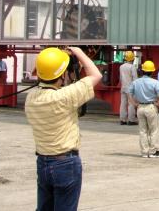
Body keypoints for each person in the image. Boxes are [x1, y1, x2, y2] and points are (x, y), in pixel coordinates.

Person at [25, 46, 101, 210]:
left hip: (43, 162)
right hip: (65, 163)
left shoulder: (30, 98)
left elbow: (43, 76)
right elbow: (96, 75)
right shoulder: (64, 97)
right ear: (63, 74)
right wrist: (78, 52)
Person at [126, 60, 159, 158]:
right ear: (152, 71)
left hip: (140, 107)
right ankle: (153, 152)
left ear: (142, 71)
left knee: (142, 131)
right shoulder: (154, 82)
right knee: (154, 130)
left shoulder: (136, 82)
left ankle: (144, 152)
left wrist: (134, 103)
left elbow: (128, 92)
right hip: (151, 107)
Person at [119, 50, 138, 125]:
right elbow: (135, 79)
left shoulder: (121, 67)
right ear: (132, 59)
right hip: (130, 89)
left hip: (123, 87)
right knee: (131, 104)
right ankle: (131, 120)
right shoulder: (132, 67)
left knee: (123, 103)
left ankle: (122, 120)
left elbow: (120, 78)